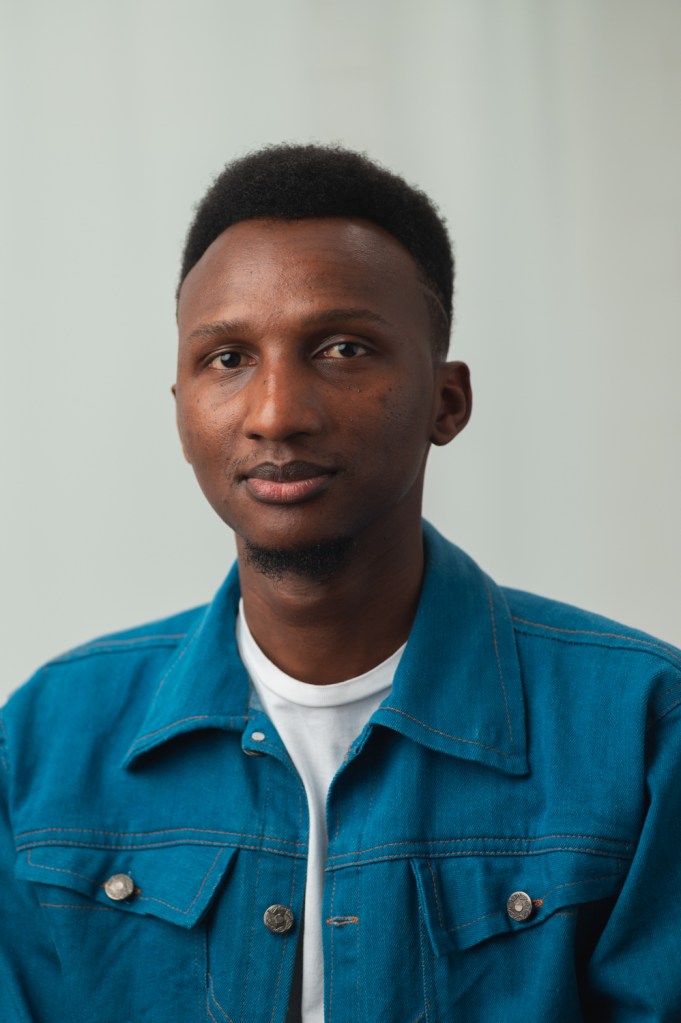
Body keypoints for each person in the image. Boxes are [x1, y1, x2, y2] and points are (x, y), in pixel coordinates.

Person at [1, 144, 680, 1023]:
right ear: (180, 411)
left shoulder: (643, 731)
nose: (276, 412)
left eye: (342, 348)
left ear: (446, 401)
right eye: (227, 358)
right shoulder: (43, 743)